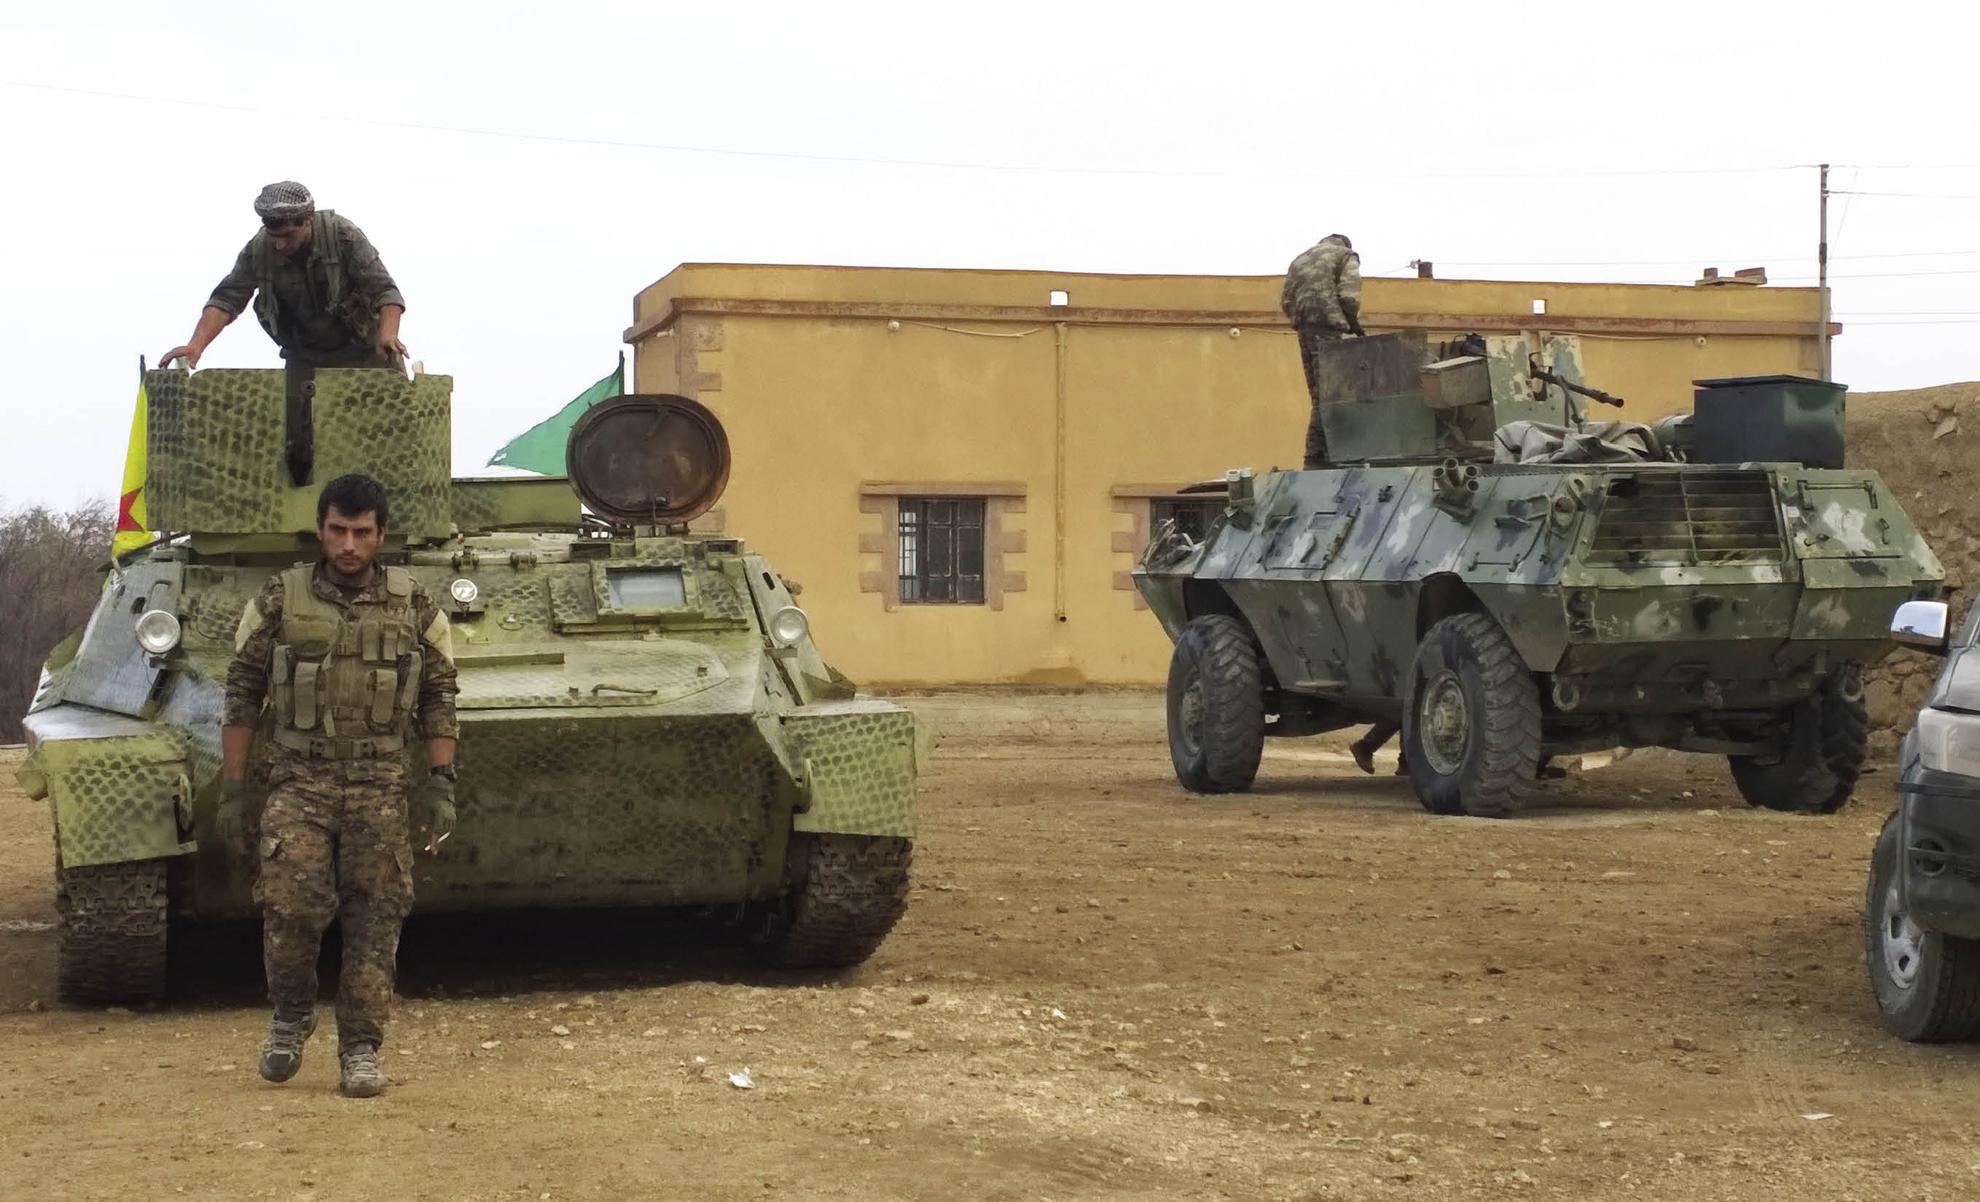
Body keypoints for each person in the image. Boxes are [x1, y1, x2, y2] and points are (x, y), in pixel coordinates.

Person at [217, 473, 458, 1098]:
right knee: (291, 908)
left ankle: (360, 1048)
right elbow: (242, 690)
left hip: (380, 781)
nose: (348, 545)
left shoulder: (416, 605)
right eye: (337, 531)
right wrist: (235, 787)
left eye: (361, 533)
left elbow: (439, 695)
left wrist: (442, 781)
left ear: (380, 535)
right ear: (321, 529)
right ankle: (291, 1017)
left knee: (377, 918)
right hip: (298, 779)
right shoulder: (278, 597)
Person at [161, 182, 407, 371]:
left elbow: (384, 291)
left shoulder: (342, 235)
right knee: (299, 432)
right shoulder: (259, 250)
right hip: (304, 360)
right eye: (273, 235)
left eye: (288, 236)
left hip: (364, 355)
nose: (279, 244)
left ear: (307, 221)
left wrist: (388, 335)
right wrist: (196, 346)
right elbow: (227, 299)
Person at [1280, 233, 1365, 468]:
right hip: (1331, 329)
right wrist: (1355, 327)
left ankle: (1315, 455)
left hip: (1305, 329)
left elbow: (1285, 300)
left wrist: (1304, 321)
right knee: (1333, 394)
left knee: (1318, 394)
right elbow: (1349, 297)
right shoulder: (1345, 255)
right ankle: (1321, 455)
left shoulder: (1299, 260)